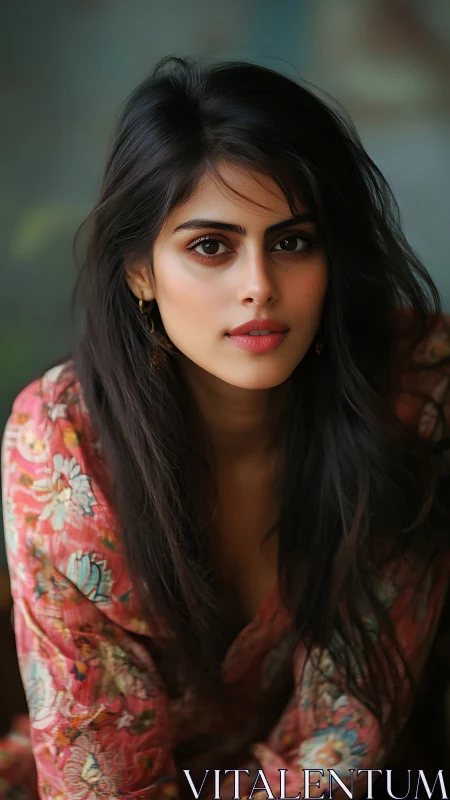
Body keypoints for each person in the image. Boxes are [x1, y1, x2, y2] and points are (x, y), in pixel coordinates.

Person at [1, 55, 449, 800]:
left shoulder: (413, 394)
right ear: (140, 271)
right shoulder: (63, 455)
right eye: (212, 246)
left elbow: (336, 748)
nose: (259, 288)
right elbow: (102, 781)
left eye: (292, 241)